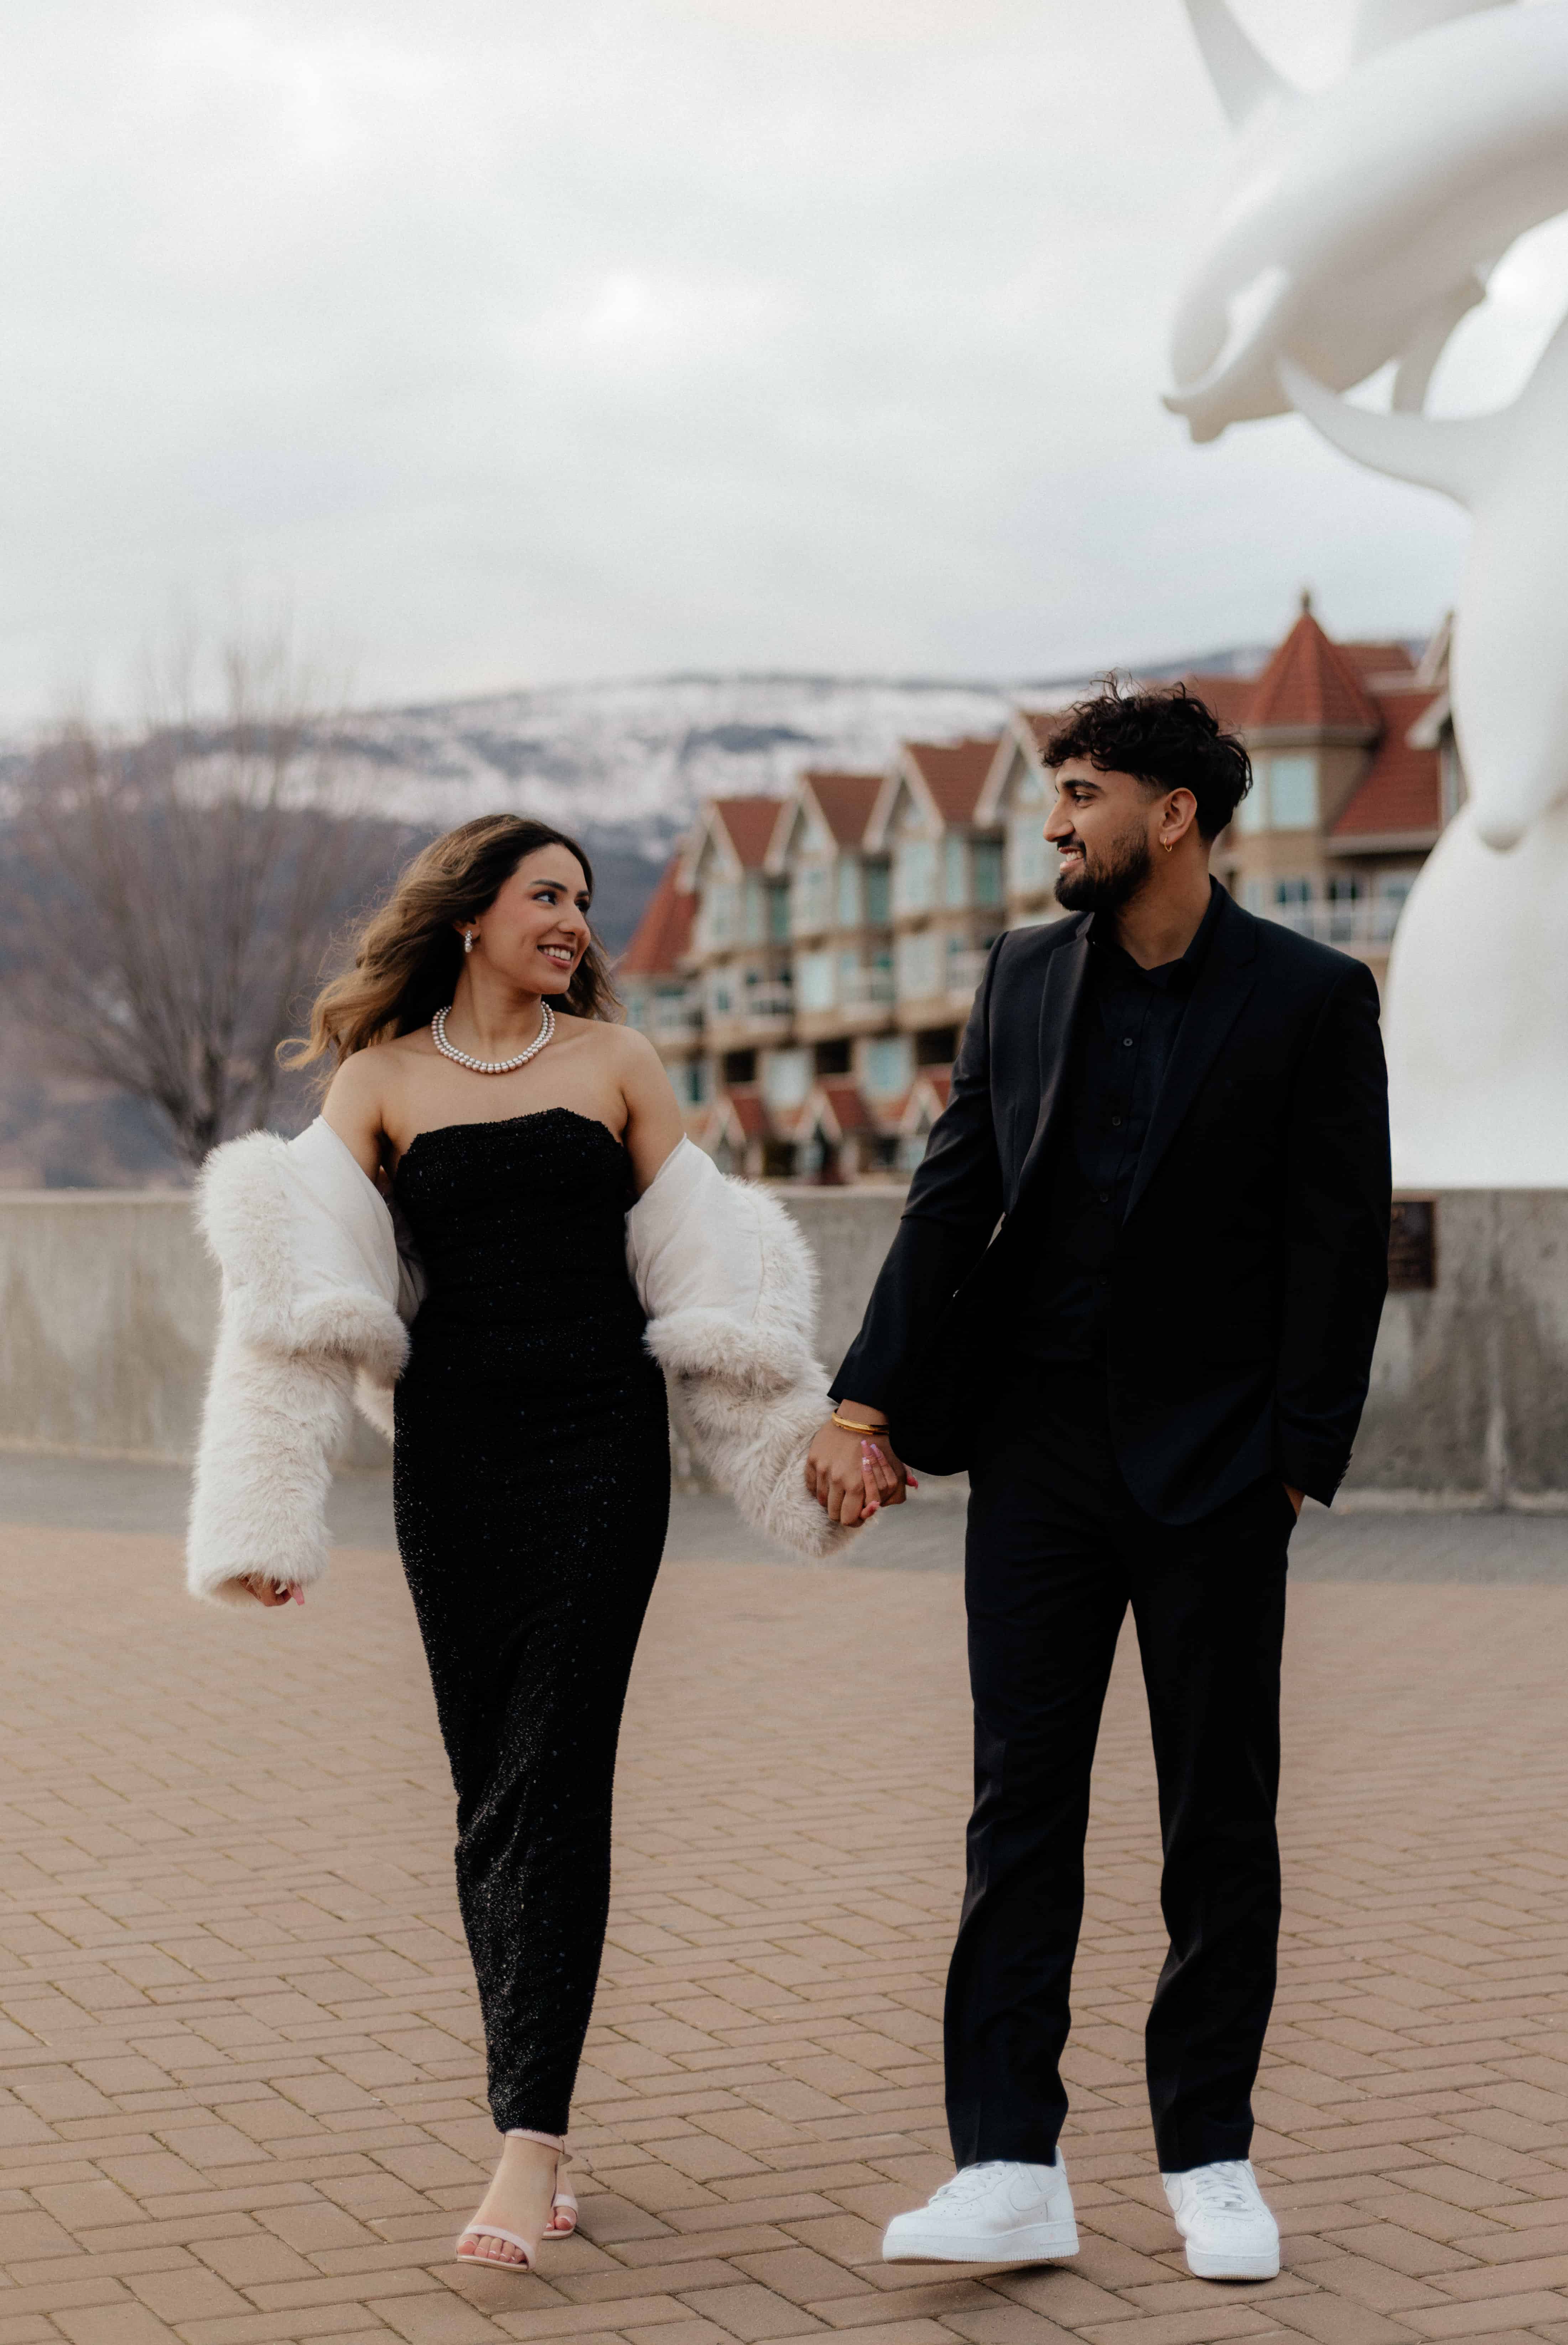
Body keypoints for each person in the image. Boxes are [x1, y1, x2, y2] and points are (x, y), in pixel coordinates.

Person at [188, 815, 848, 2278]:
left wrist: (806, 1454)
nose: (574, 920)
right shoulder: (377, 1082)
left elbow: (713, 1280)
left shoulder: (617, 1065)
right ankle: (528, 2100)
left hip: (601, 1457)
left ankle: (529, 2137)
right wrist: (263, 1519)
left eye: (584, 902)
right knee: (492, 1784)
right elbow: (291, 1300)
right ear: (473, 910)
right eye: (548, 894)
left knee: (554, 1764)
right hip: (455, 1462)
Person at [806, 682, 1390, 2283]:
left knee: (1221, 1821)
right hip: (1043, 1460)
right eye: (1054, 797)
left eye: (1079, 794)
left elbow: (1341, 1247)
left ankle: (1209, 2153)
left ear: (1173, 814)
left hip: (1219, 1471)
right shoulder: (1018, 978)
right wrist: (867, 1401)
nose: (1054, 823)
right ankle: (1008, 2159)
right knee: (1019, 1813)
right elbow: (949, 1203)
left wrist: (1292, 1467)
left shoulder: (1311, 995)